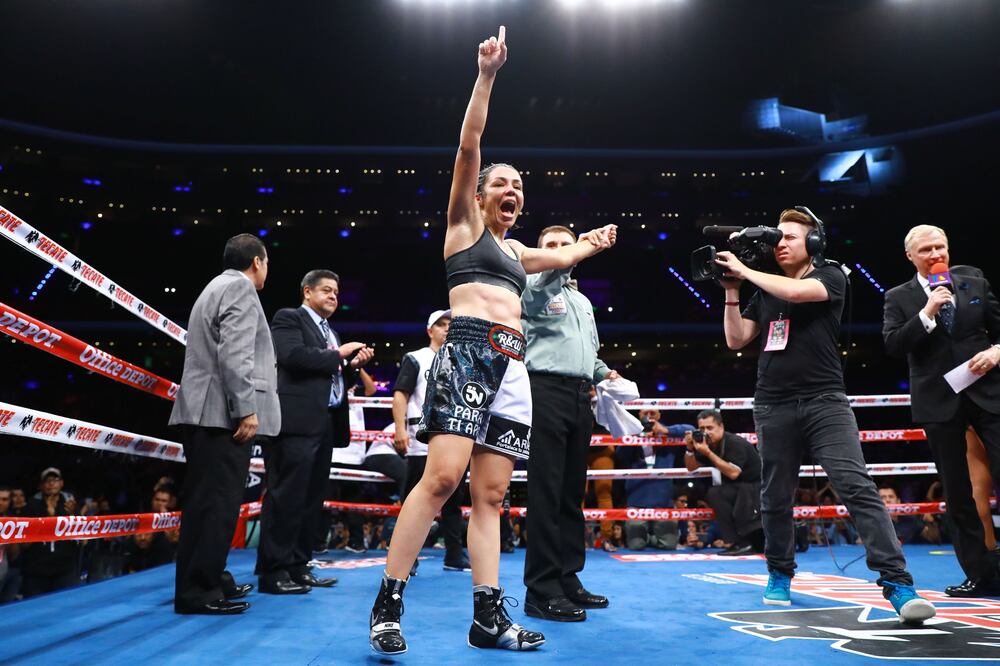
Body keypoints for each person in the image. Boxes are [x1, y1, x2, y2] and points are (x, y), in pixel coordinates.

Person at [368, 26, 617, 655]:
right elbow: (469, 145)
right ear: (479, 195)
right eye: (502, 185)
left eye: (521, 190)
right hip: (469, 350)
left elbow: (558, 257)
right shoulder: (462, 228)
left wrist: (596, 242)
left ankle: (487, 616)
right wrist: (486, 77)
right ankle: (388, 601)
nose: (513, 193)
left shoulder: (513, 250)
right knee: (442, 479)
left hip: (513, 368)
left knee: (494, 495)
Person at [718, 207, 935, 623]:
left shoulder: (830, 276)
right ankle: (779, 574)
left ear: (813, 243)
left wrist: (746, 271)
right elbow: (736, 338)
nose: (779, 244)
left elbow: (801, 294)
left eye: (790, 238)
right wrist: (731, 290)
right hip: (772, 403)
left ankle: (898, 584)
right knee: (774, 497)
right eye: (777, 238)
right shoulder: (765, 290)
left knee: (857, 488)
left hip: (824, 402)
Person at [883, 224, 1000, 597]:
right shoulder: (899, 297)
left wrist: (998, 351)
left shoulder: (974, 282)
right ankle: (981, 575)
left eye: (941, 247)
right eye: (927, 250)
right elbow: (893, 346)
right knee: (959, 492)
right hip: (939, 402)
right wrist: (927, 313)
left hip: (988, 393)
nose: (936, 255)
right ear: (910, 257)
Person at [169, 233, 281, 615]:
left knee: (210, 502)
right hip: (220, 415)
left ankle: (210, 578)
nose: (267, 269)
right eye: (267, 263)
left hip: (209, 412)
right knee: (215, 504)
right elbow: (235, 353)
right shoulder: (240, 289)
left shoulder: (216, 286)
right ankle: (197, 591)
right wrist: (246, 408)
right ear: (256, 262)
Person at [521, 224, 622, 622]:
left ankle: (567, 578)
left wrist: (605, 374)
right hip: (543, 391)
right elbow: (548, 278)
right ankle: (540, 589)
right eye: (552, 246)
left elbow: (588, 353)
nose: (561, 251)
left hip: (581, 396)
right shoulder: (531, 285)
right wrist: (579, 249)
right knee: (545, 492)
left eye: (566, 244)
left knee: (570, 495)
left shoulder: (580, 301)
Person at [256, 269, 373, 594]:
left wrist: (351, 367)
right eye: (326, 290)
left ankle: (298, 565)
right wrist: (338, 354)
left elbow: (331, 379)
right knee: (286, 496)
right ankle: (273, 571)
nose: (333, 296)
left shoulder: (331, 332)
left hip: (324, 422)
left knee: (311, 498)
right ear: (307, 292)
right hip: (294, 421)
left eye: (336, 291)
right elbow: (291, 357)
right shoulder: (289, 318)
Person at [392, 309, 471, 573]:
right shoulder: (415, 359)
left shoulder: (462, 361)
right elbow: (401, 395)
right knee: (414, 497)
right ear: (430, 330)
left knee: (453, 500)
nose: (447, 328)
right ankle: (407, 557)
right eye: (441, 324)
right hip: (420, 437)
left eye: (451, 324)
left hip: (454, 436)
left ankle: (454, 554)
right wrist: (400, 430)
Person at [683, 409, 764, 555]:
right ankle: (735, 542)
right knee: (715, 493)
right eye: (702, 428)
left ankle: (748, 542)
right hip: (737, 487)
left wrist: (708, 452)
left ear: (721, 427)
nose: (706, 432)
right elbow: (691, 467)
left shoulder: (735, 443)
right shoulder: (708, 444)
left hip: (757, 487)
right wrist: (689, 449)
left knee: (741, 496)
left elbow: (733, 473)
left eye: (710, 428)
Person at [20, 468, 80, 598]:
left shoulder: (70, 503)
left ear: (62, 483)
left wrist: (72, 515)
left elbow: (81, 537)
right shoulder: (31, 505)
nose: (51, 483)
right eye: (47, 481)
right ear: (41, 486)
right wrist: (48, 516)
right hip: (37, 571)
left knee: (66, 607)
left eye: (55, 480)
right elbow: (24, 543)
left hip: (65, 569)